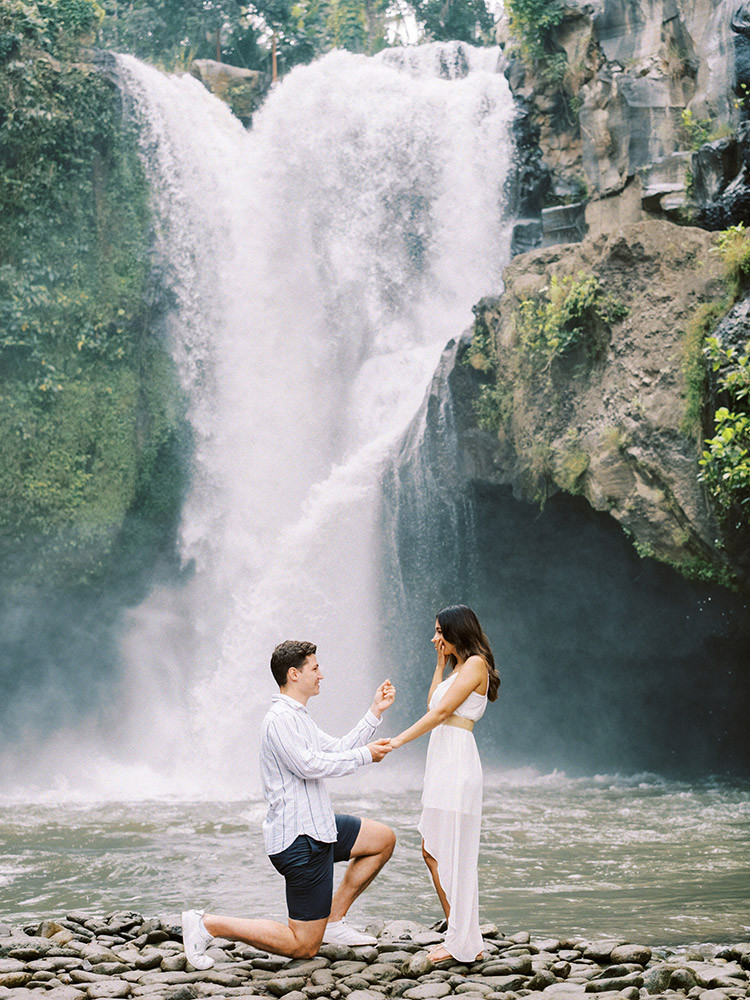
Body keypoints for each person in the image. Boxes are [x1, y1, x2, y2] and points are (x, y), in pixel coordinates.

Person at [182, 639, 396, 967]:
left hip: (319, 828)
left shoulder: (299, 717)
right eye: (315, 668)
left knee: (382, 839)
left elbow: (336, 748)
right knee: (303, 946)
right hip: (300, 841)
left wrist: (374, 713)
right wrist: (366, 756)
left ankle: (333, 921)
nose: (321, 674)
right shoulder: (279, 719)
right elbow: (309, 765)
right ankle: (206, 924)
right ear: (294, 674)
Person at [387, 605, 499, 964]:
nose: (434, 638)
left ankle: (462, 941)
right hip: (444, 761)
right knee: (433, 848)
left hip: (457, 762)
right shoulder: (459, 667)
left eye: (439, 631)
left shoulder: (477, 664)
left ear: (456, 631)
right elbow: (433, 702)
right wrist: (439, 665)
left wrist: (397, 742)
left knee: (452, 852)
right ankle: (463, 936)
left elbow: (438, 715)